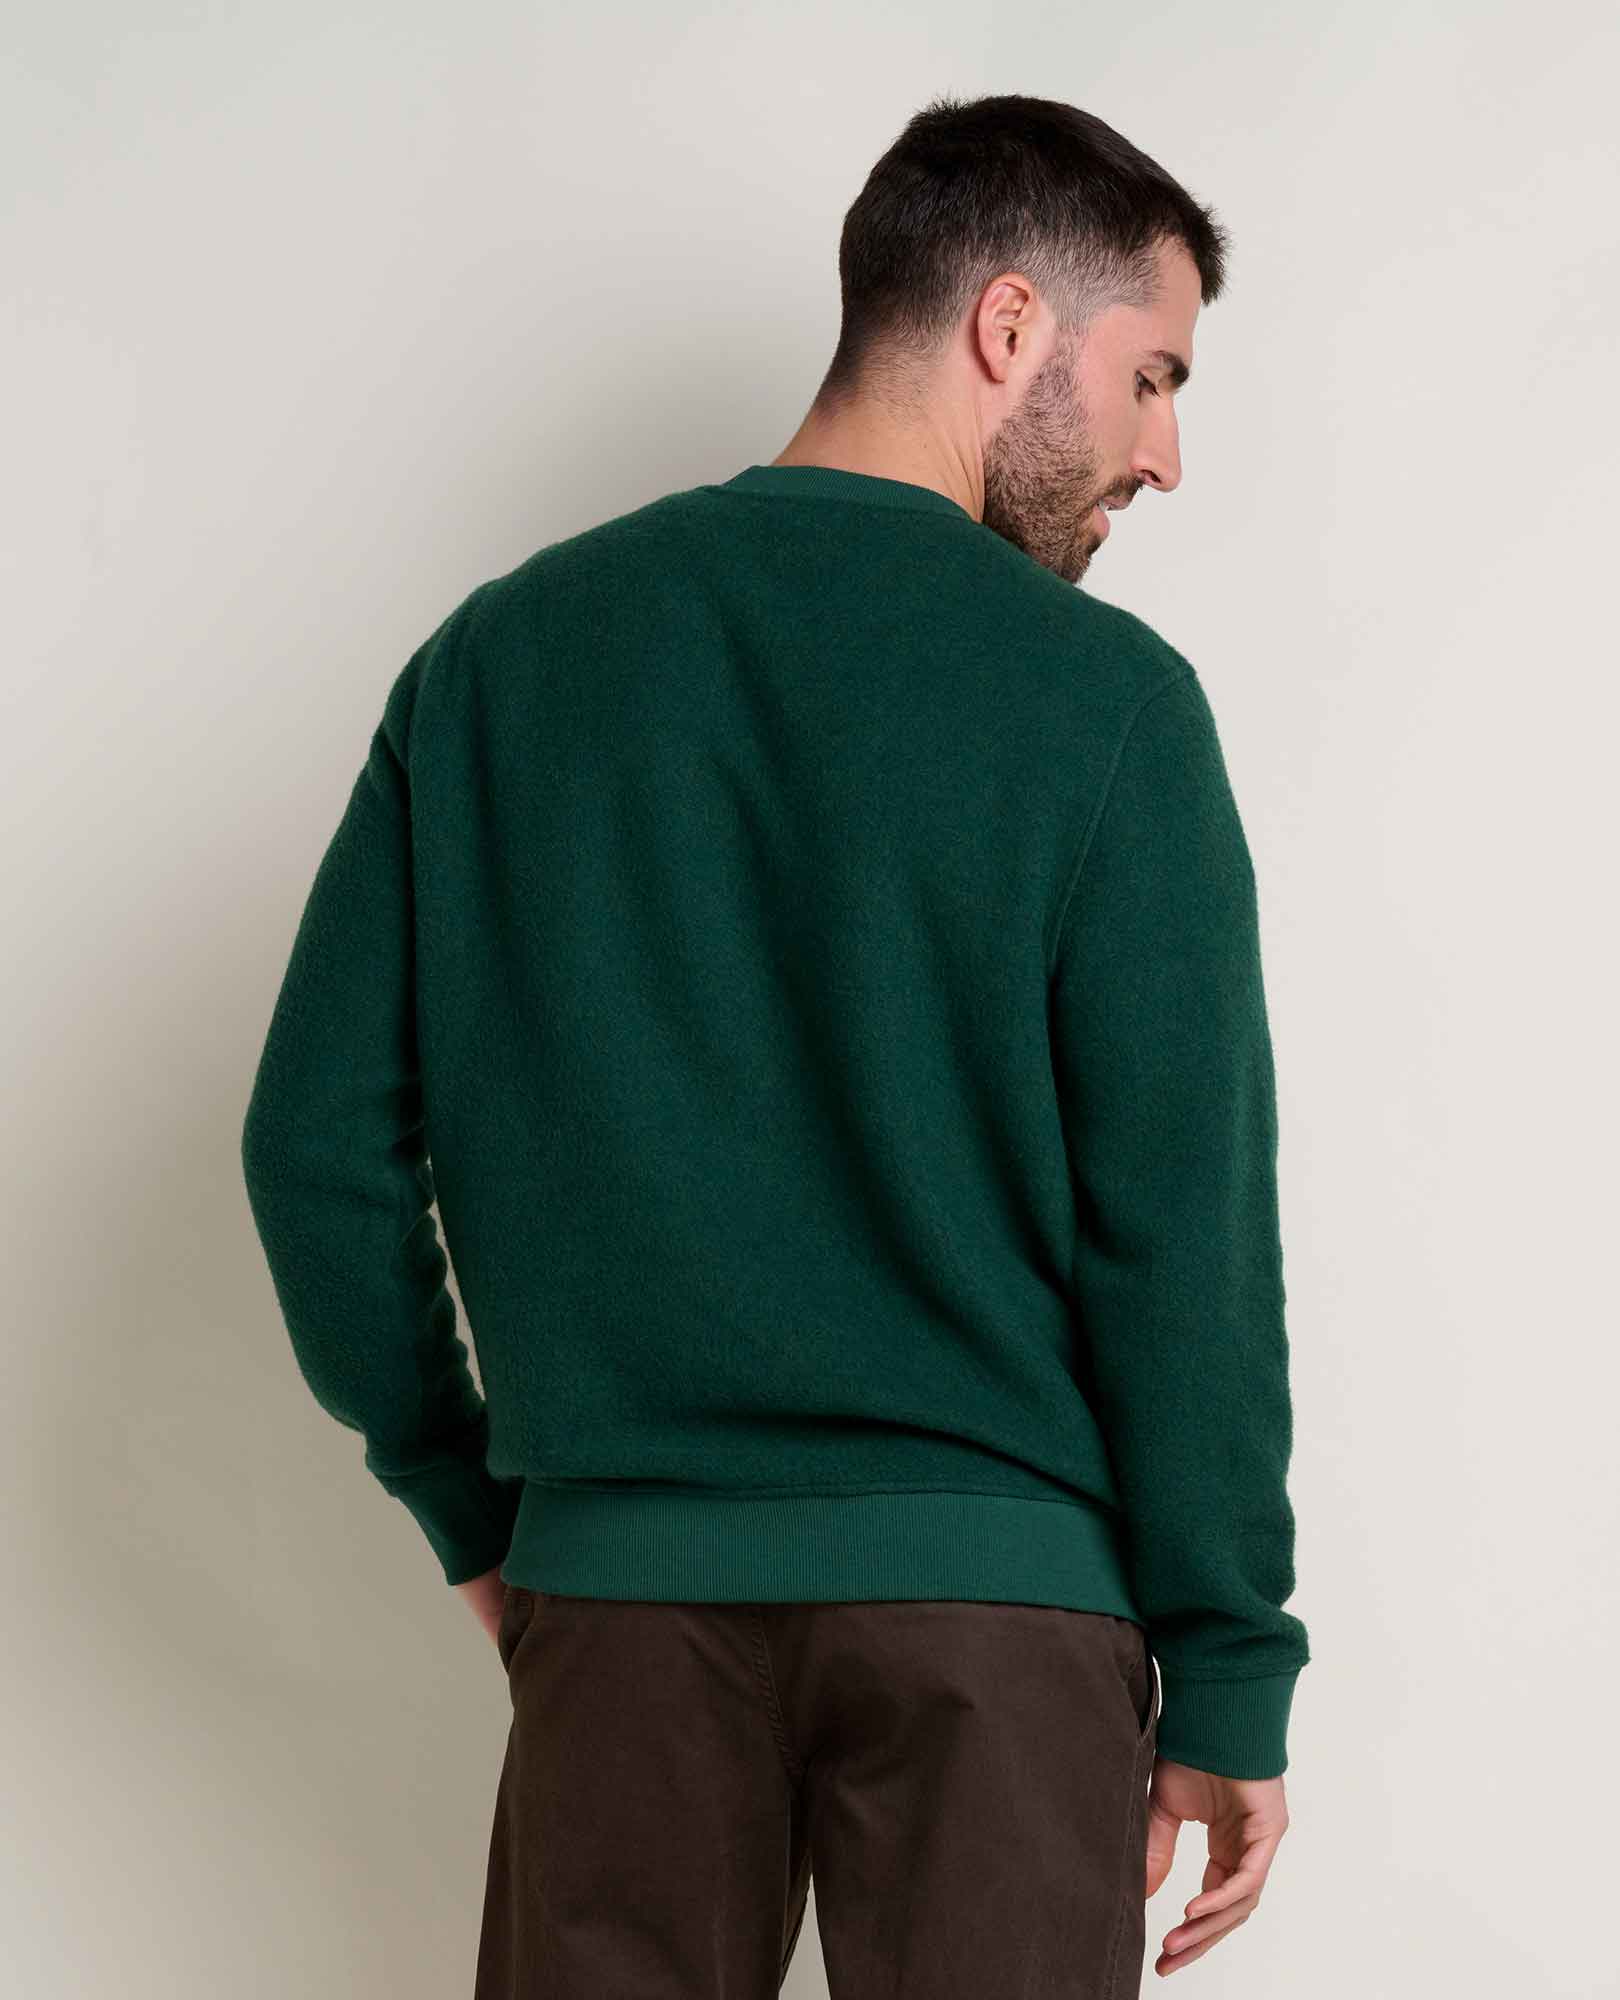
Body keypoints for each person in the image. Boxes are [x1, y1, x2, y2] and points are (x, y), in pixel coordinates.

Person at [241, 88, 1309, 1997]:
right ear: (1010, 328)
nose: (1165, 454)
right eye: (1152, 377)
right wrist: (1227, 1663)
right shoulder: (1109, 707)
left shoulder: (498, 663)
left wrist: (476, 1506)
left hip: (618, 1606)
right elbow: (1183, 1239)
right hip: (1003, 1626)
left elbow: (314, 1148)